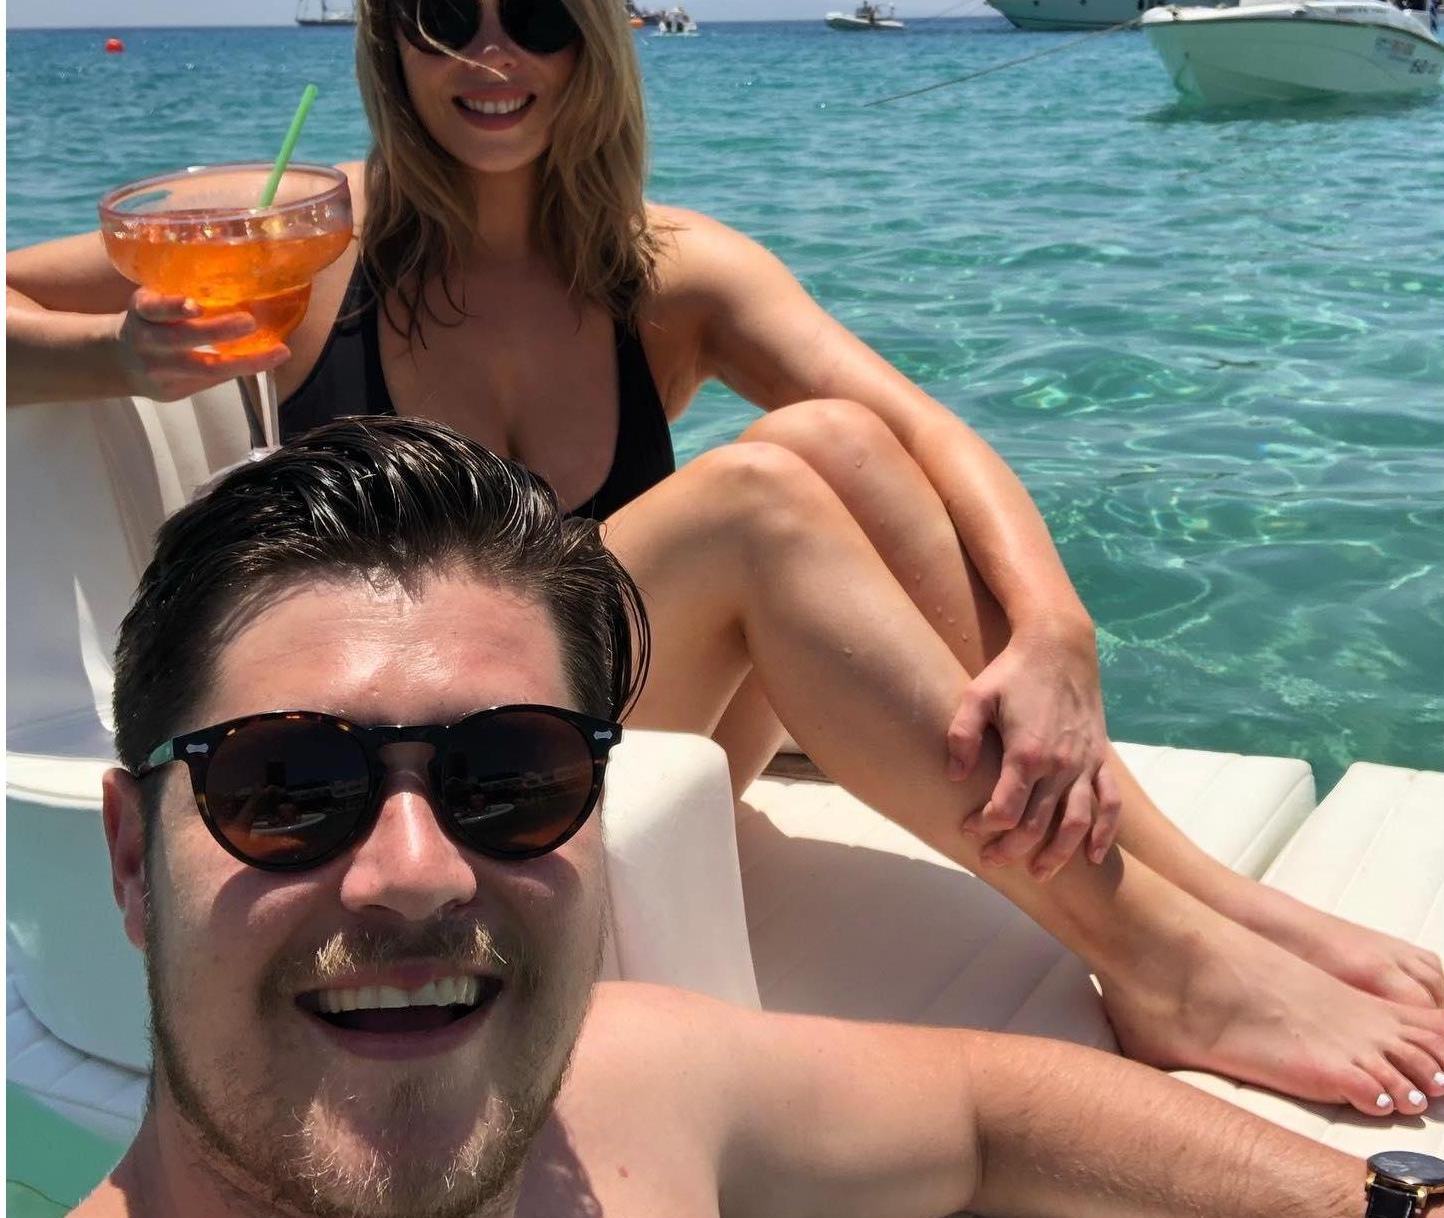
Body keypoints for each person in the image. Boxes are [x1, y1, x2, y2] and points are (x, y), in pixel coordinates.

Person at [8, 0, 1443, 1112]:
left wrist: (1056, 633)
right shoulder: (309, 237)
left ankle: (1213, 909)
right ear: (388, 36)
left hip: (606, 730)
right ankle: (1165, 964)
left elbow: (926, 431)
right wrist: (116, 355)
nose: (494, 56)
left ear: (595, 34)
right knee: (760, 500)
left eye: (538, 12)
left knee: (836, 441)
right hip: (409, 763)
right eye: (447, 13)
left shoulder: (664, 269)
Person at [80, 417, 1422, 1218]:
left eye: (512, 779)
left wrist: (1386, 1204)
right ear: (133, 859)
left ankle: (1188, 926)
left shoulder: (619, 1084)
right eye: (288, 791)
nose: (418, 872)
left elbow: (989, 1108)